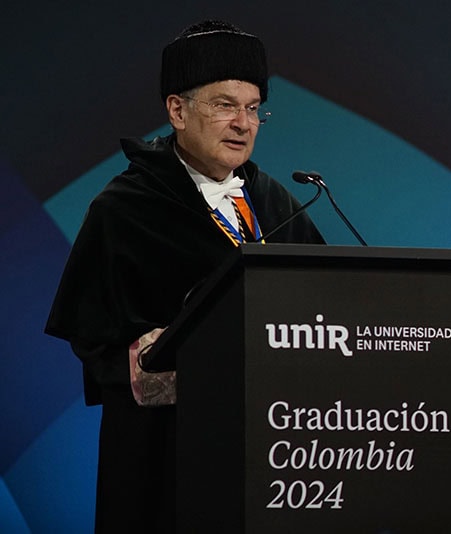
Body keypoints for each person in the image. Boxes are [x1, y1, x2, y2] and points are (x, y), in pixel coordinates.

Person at [44, 20, 324, 532]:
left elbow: (328, 299)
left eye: (253, 108)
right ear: (177, 110)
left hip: (272, 451)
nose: (243, 123)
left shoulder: (274, 199)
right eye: (224, 105)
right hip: (167, 454)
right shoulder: (124, 208)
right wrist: (145, 358)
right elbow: (93, 336)